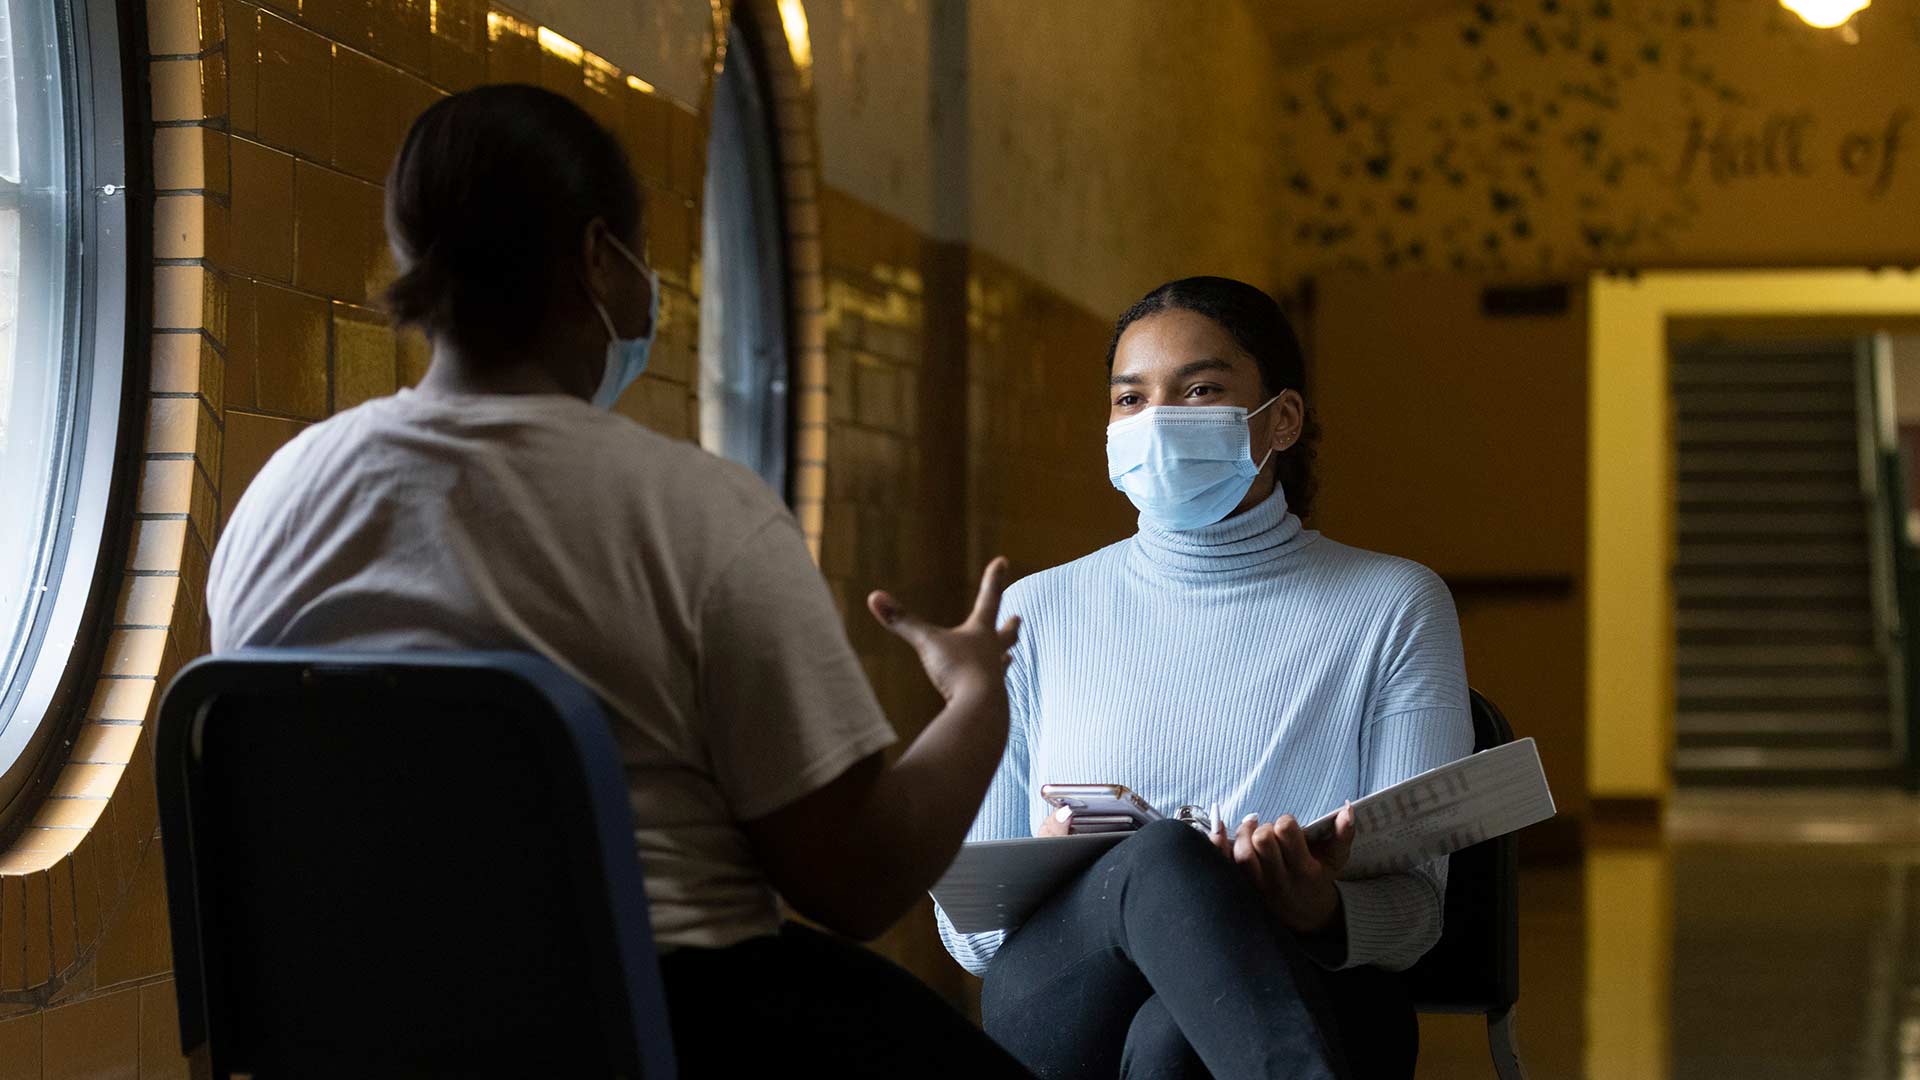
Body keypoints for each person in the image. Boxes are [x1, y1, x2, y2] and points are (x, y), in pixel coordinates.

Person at [206, 84, 1032, 1077]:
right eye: (644, 261)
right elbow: (855, 881)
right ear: (598, 257)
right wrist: (980, 698)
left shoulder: (277, 501)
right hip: (643, 1026)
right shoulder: (695, 512)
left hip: (347, 1025)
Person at [935, 276, 1474, 1079]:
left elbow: (1416, 917)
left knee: (1171, 1043)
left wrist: (1319, 906)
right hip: (1068, 1001)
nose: (1157, 422)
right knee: (1164, 859)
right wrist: (1051, 862)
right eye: (1130, 399)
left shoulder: (1392, 604)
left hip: (1315, 985)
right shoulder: (1036, 612)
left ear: (1281, 419)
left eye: (1201, 390)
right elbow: (969, 937)